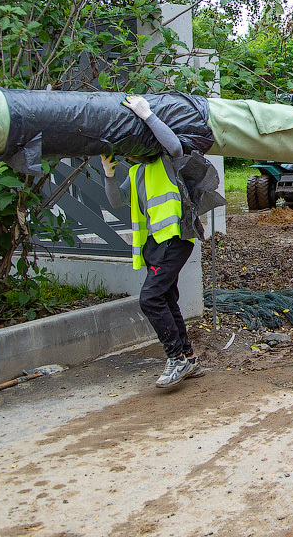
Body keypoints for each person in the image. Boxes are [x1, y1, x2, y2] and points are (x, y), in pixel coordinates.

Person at [102, 94, 217, 388]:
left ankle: (176, 358)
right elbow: (117, 201)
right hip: (156, 244)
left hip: (176, 238)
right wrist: (109, 174)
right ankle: (188, 359)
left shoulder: (166, 160)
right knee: (165, 298)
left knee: (150, 299)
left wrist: (148, 115)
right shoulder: (137, 171)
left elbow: (176, 144)